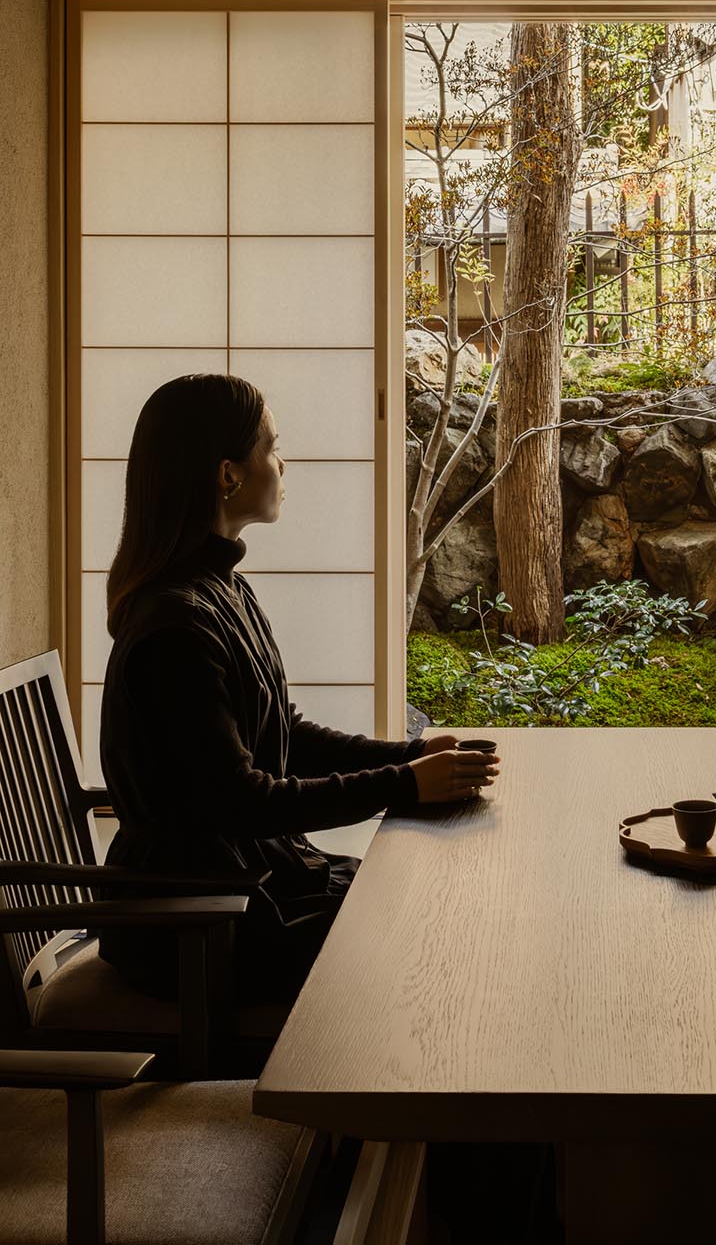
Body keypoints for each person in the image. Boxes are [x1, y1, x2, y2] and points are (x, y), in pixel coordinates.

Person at [98, 372, 498, 1003]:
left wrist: (411, 756)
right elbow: (242, 800)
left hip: (245, 882)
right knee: (423, 932)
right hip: (198, 920)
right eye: (273, 447)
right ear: (228, 475)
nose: (284, 464)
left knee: (431, 903)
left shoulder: (222, 590)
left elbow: (285, 734)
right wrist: (405, 783)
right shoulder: (174, 625)